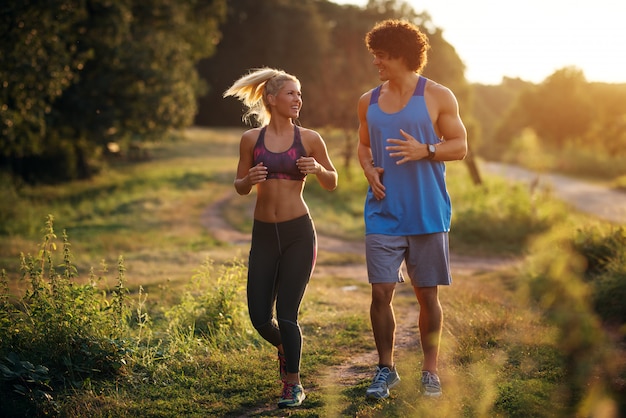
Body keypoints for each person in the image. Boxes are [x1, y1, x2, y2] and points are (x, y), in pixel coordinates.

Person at [357, 19, 468, 399]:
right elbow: (363, 146)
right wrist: (369, 169)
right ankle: (385, 369)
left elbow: (460, 146)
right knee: (380, 292)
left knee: (427, 296)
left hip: (426, 211)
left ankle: (430, 370)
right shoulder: (368, 101)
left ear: (402, 56)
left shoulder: (438, 96)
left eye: (382, 56)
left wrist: (427, 150)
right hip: (383, 212)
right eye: (376, 56)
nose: (377, 63)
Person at [223, 68, 337, 408]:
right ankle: (288, 347)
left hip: (298, 233)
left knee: (287, 314)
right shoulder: (250, 140)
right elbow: (240, 186)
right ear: (271, 98)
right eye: (291, 93)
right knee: (260, 317)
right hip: (264, 235)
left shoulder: (310, 139)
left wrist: (317, 170)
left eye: (299, 94)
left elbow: (333, 181)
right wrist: (250, 179)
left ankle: (293, 384)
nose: (298, 99)